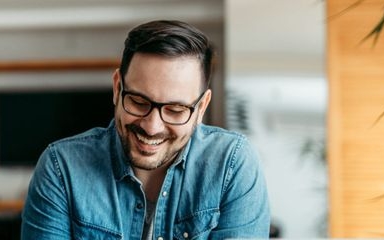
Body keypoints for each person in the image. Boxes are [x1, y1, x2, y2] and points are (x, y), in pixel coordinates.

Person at [21, 20, 270, 239]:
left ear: (201, 106)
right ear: (118, 88)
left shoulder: (232, 163)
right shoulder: (61, 167)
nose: (152, 127)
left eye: (175, 109)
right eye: (139, 102)